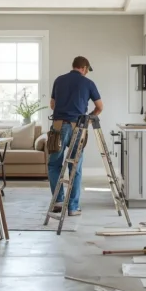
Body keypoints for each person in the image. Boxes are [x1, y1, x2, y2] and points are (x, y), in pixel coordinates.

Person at [48, 56, 103, 216]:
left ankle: (58, 201)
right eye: (87, 70)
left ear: (73, 66)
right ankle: (72, 207)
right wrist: (88, 119)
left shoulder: (59, 80)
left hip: (58, 126)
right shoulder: (88, 83)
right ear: (84, 68)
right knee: (75, 167)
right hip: (78, 127)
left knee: (54, 164)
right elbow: (99, 107)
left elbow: (52, 104)